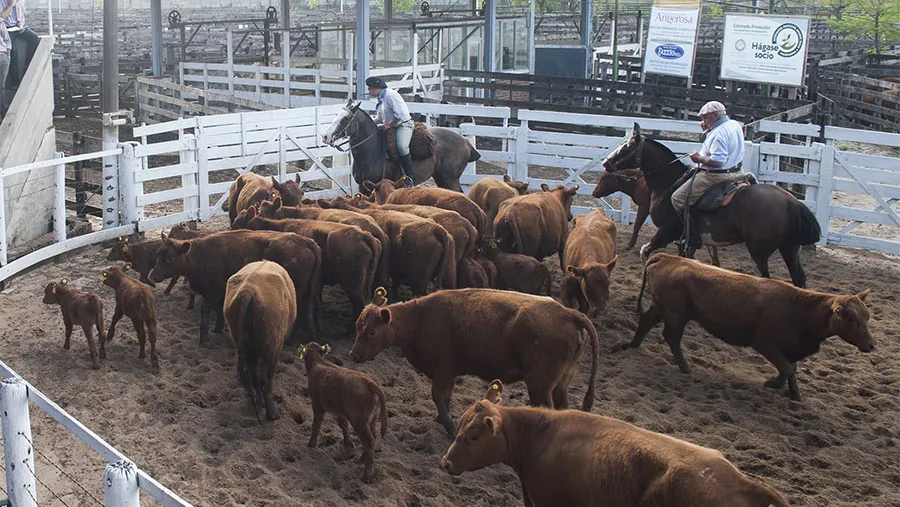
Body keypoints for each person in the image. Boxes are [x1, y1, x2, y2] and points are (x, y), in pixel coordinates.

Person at [671, 100, 745, 248]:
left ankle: (692, 237)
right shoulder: (734, 124)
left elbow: (718, 162)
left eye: (705, 118)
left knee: (678, 198)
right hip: (737, 171)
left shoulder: (719, 134)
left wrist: (699, 158)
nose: (703, 121)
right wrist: (706, 128)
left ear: (715, 116)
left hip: (716, 175)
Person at [366, 76, 415, 186]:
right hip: (390, 126)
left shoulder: (390, 95)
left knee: (402, 146)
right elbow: (380, 117)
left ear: (377, 88)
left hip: (403, 125)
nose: (369, 91)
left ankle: (409, 178)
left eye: (370, 88)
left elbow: (400, 114)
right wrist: (370, 126)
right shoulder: (380, 98)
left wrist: (389, 124)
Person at [1, 0, 38, 89]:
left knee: (33, 37)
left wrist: (21, 24)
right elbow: (2, 17)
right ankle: (15, 82)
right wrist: (10, 5)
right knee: (14, 52)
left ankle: (28, 64)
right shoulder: (2, 3)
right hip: (6, 28)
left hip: (17, 27)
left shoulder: (20, 2)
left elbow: (21, 15)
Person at [0, 21, 9, 116]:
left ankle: (1, 113)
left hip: (3, 55)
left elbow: (7, 39)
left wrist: (8, 55)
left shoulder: (1, 23)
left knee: (1, 86)